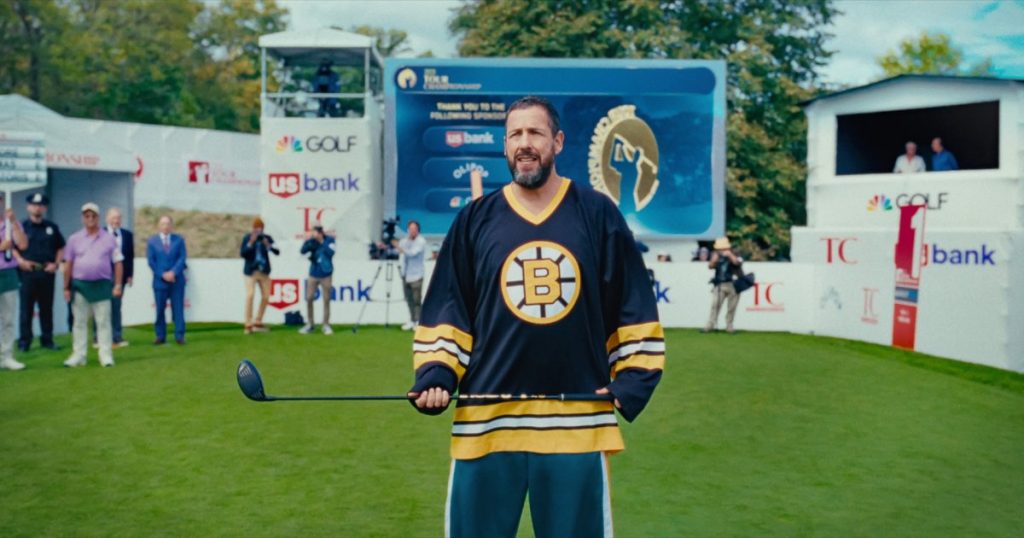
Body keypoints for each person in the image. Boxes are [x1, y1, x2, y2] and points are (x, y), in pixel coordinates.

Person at [408, 96, 665, 537]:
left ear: (558, 142)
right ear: (505, 145)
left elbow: (632, 303)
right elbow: (449, 309)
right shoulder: (474, 220)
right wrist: (437, 374)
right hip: (488, 423)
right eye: (515, 134)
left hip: (577, 424)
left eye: (535, 133)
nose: (524, 143)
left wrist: (634, 378)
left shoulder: (597, 213)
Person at [62, 203, 123, 367]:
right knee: (79, 322)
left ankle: (106, 355)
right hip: (80, 286)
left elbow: (118, 262)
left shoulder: (109, 238)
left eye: (93, 216)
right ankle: (79, 355)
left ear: (98, 218)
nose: (90, 219)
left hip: (102, 286)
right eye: (87, 216)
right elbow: (68, 264)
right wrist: (66, 287)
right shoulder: (74, 239)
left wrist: (117, 285)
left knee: (103, 322)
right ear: (83, 218)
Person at [13, 193, 64, 351]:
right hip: (27, 273)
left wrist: (56, 264)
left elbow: (61, 247)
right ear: (28, 207)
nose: (37, 208)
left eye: (40, 205)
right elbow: (13, 248)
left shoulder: (52, 227)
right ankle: (24, 342)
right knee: (26, 309)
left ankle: (47, 340)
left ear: (45, 208)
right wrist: (20, 261)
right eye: (34, 205)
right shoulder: (21, 227)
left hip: (46, 273)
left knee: (46, 308)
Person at [91, 208, 133, 348]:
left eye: (118, 218)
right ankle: (97, 337)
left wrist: (130, 275)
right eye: (114, 217)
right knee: (100, 307)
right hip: (102, 275)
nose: (116, 220)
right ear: (107, 218)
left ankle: (117, 336)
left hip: (120, 276)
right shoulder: (99, 233)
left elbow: (130, 256)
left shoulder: (127, 235)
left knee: (116, 306)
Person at [146, 215, 187, 345]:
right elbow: (151, 261)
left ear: (171, 226)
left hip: (176, 281)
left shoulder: (179, 240)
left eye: (168, 224)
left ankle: (179, 335)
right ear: (159, 225)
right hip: (160, 281)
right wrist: (163, 274)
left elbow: (182, 258)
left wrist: (173, 272)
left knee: (178, 309)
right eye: (163, 224)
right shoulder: (152, 242)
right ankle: (160, 335)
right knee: (159, 309)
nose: (166, 226)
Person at [0, 203, 28, 370]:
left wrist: (13, 222)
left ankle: (7, 356)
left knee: (8, 319)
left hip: (8, 274)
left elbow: (22, 244)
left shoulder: (12, 224)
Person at [240, 217, 279, 334]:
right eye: (256, 228)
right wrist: (251, 242)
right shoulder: (247, 238)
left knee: (266, 296)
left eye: (260, 228)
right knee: (250, 295)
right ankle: (248, 323)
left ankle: (258, 321)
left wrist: (268, 245)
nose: (258, 230)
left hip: (264, 271)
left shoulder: (267, 238)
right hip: (250, 272)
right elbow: (243, 253)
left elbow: (277, 251)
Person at [298, 223, 335, 335]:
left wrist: (321, 242)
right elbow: (302, 251)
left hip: (326, 273)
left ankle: (326, 324)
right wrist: (308, 242)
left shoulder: (329, 240)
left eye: (314, 232)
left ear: (320, 232)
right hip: (313, 273)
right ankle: (310, 324)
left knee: (326, 299)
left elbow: (331, 253)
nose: (312, 234)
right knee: (309, 298)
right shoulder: (311, 241)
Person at [703, 236, 743, 334]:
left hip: (733, 284)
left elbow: (738, 263)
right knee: (715, 305)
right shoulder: (716, 255)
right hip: (719, 284)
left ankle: (729, 326)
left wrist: (730, 255)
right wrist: (714, 260)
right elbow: (710, 266)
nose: (721, 251)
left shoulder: (735, 253)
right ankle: (710, 325)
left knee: (732, 307)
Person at [396, 220, 425, 331]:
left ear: (418, 230)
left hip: (417, 275)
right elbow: (398, 252)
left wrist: (400, 248)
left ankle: (418, 321)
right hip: (405, 274)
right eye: (410, 229)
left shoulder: (421, 241)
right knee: (409, 299)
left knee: (417, 300)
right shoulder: (404, 241)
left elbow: (412, 253)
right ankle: (412, 320)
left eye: (414, 229)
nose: (412, 231)